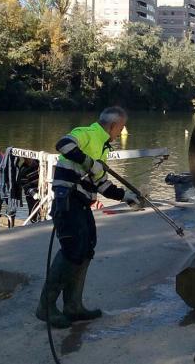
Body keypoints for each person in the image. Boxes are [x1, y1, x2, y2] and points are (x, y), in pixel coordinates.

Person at [35, 107, 140, 328]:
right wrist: (90, 163)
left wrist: (125, 196)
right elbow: (63, 144)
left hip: (82, 203)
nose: (122, 130)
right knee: (73, 249)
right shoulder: (86, 132)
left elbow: (101, 183)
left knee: (87, 248)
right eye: (121, 127)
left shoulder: (103, 148)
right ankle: (45, 306)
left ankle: (73, 306)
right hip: (68, 200)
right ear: (112, 126)